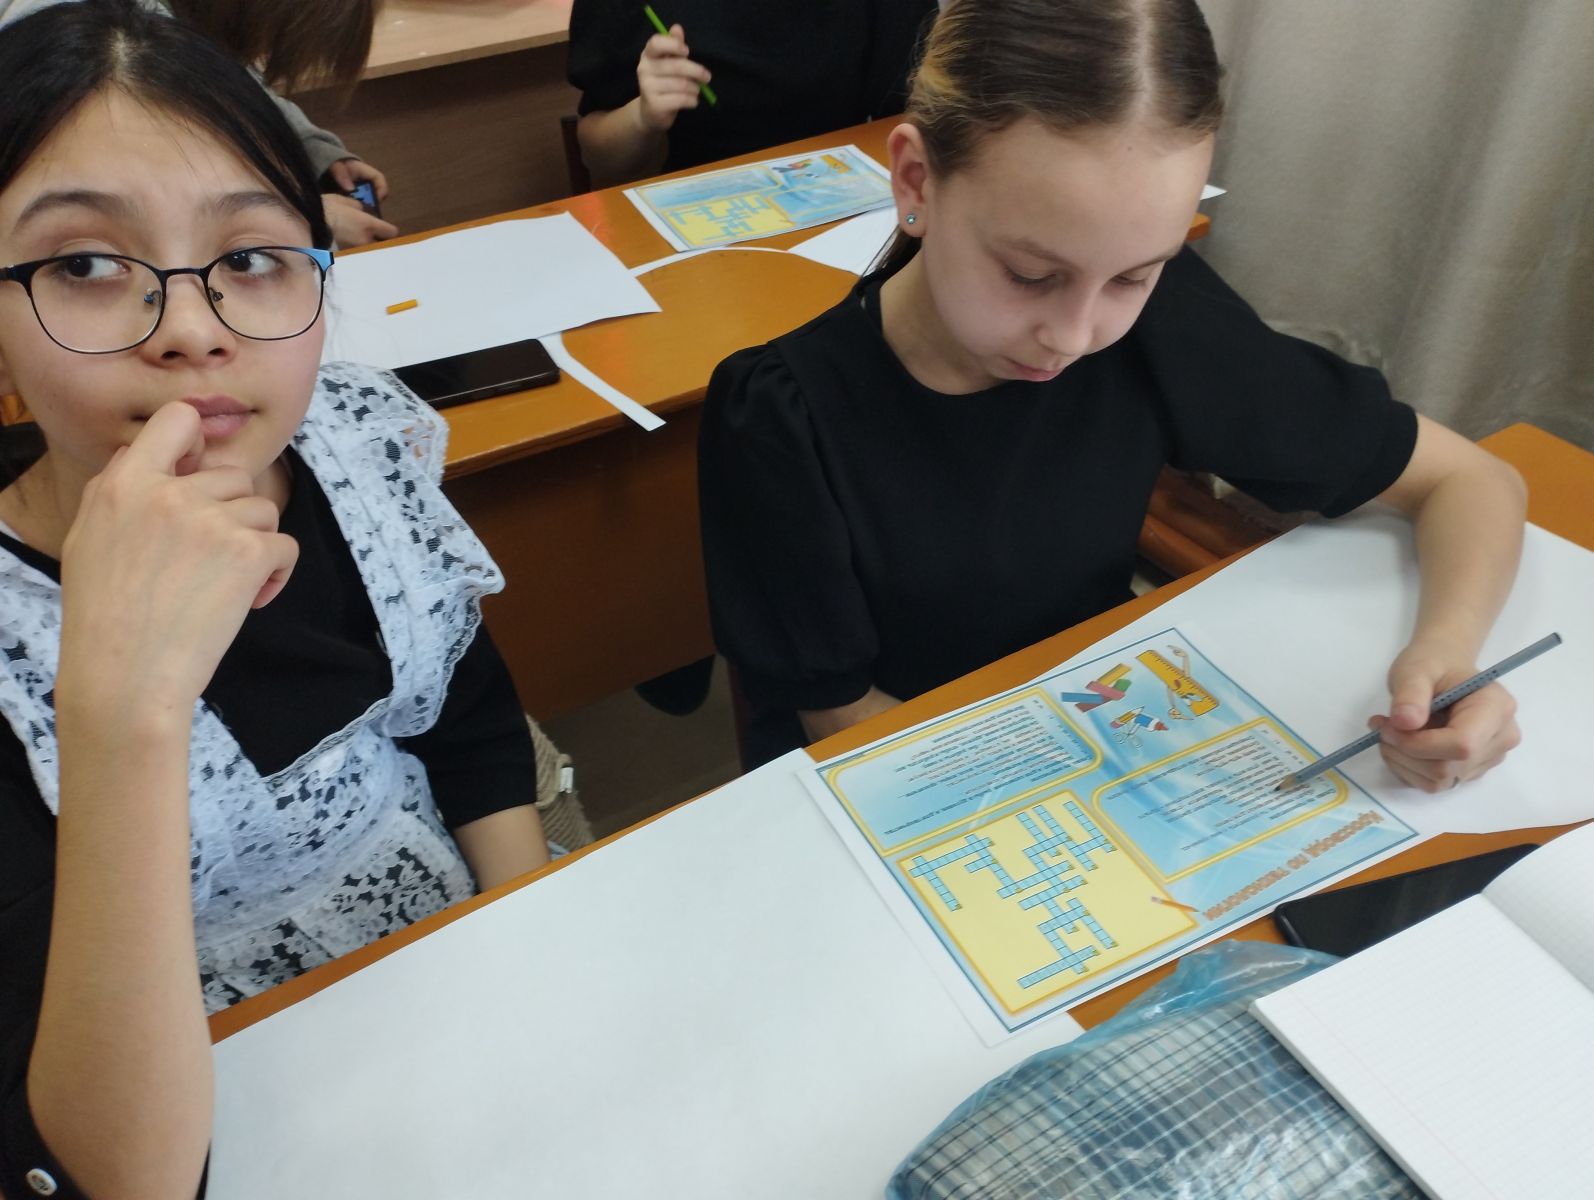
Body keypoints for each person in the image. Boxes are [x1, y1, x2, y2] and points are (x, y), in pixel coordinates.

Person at [0, 4, 548, 1197]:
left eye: (249, 258)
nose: (194, 330)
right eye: (85, 265)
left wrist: (529, 955)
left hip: (453, 1001)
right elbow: (117, 1173)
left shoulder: (355, 445)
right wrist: (124, 709)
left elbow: (471, 729)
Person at [699, 0, 1528, 782]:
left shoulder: (1160, 327)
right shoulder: (782, 416)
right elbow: (843, 721)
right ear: (917, 181)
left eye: (1134, 275)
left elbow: (1470, 479)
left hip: (1086, 732)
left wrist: (1448, 656)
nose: (1075, 334)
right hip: (908, 774)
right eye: (1031, 275)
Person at [0, 0, 399, 247]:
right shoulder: (90, 51)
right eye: (264, 45)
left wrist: (313, 149)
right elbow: (150, 214)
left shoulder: (181, 26)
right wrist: (309, 219)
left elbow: (245, 85)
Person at [568, 0, 939, 186]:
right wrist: (642, 117)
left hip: (843, 201)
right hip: (697, 219)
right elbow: (598, 159)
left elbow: (915, 114)